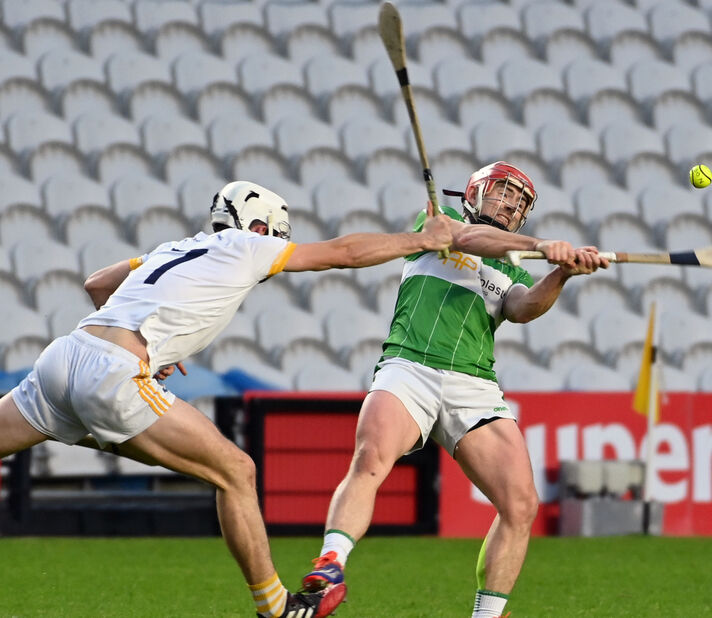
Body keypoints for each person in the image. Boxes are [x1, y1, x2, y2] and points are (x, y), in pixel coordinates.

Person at [0, 180, 453, 618]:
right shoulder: (248, 245)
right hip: (111, 376)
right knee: (237, 471)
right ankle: (277, 608)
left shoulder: (175, 248)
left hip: (62, 358)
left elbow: (97, 283)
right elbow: (345, 253)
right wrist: (421, 239)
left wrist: (156, 344)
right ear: (259, 229)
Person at [301, 161, 609, 618]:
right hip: (410, 367)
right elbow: (467, 240)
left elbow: (522, 309)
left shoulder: (514, 268)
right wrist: (543, 246)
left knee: (520, 505)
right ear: (474, 193)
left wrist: (561, 273)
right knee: (370, 459)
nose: (511, 205)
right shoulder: (440, 224)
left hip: (474, 384)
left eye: (520, 202)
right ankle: (330, 567)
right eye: (503, 193)